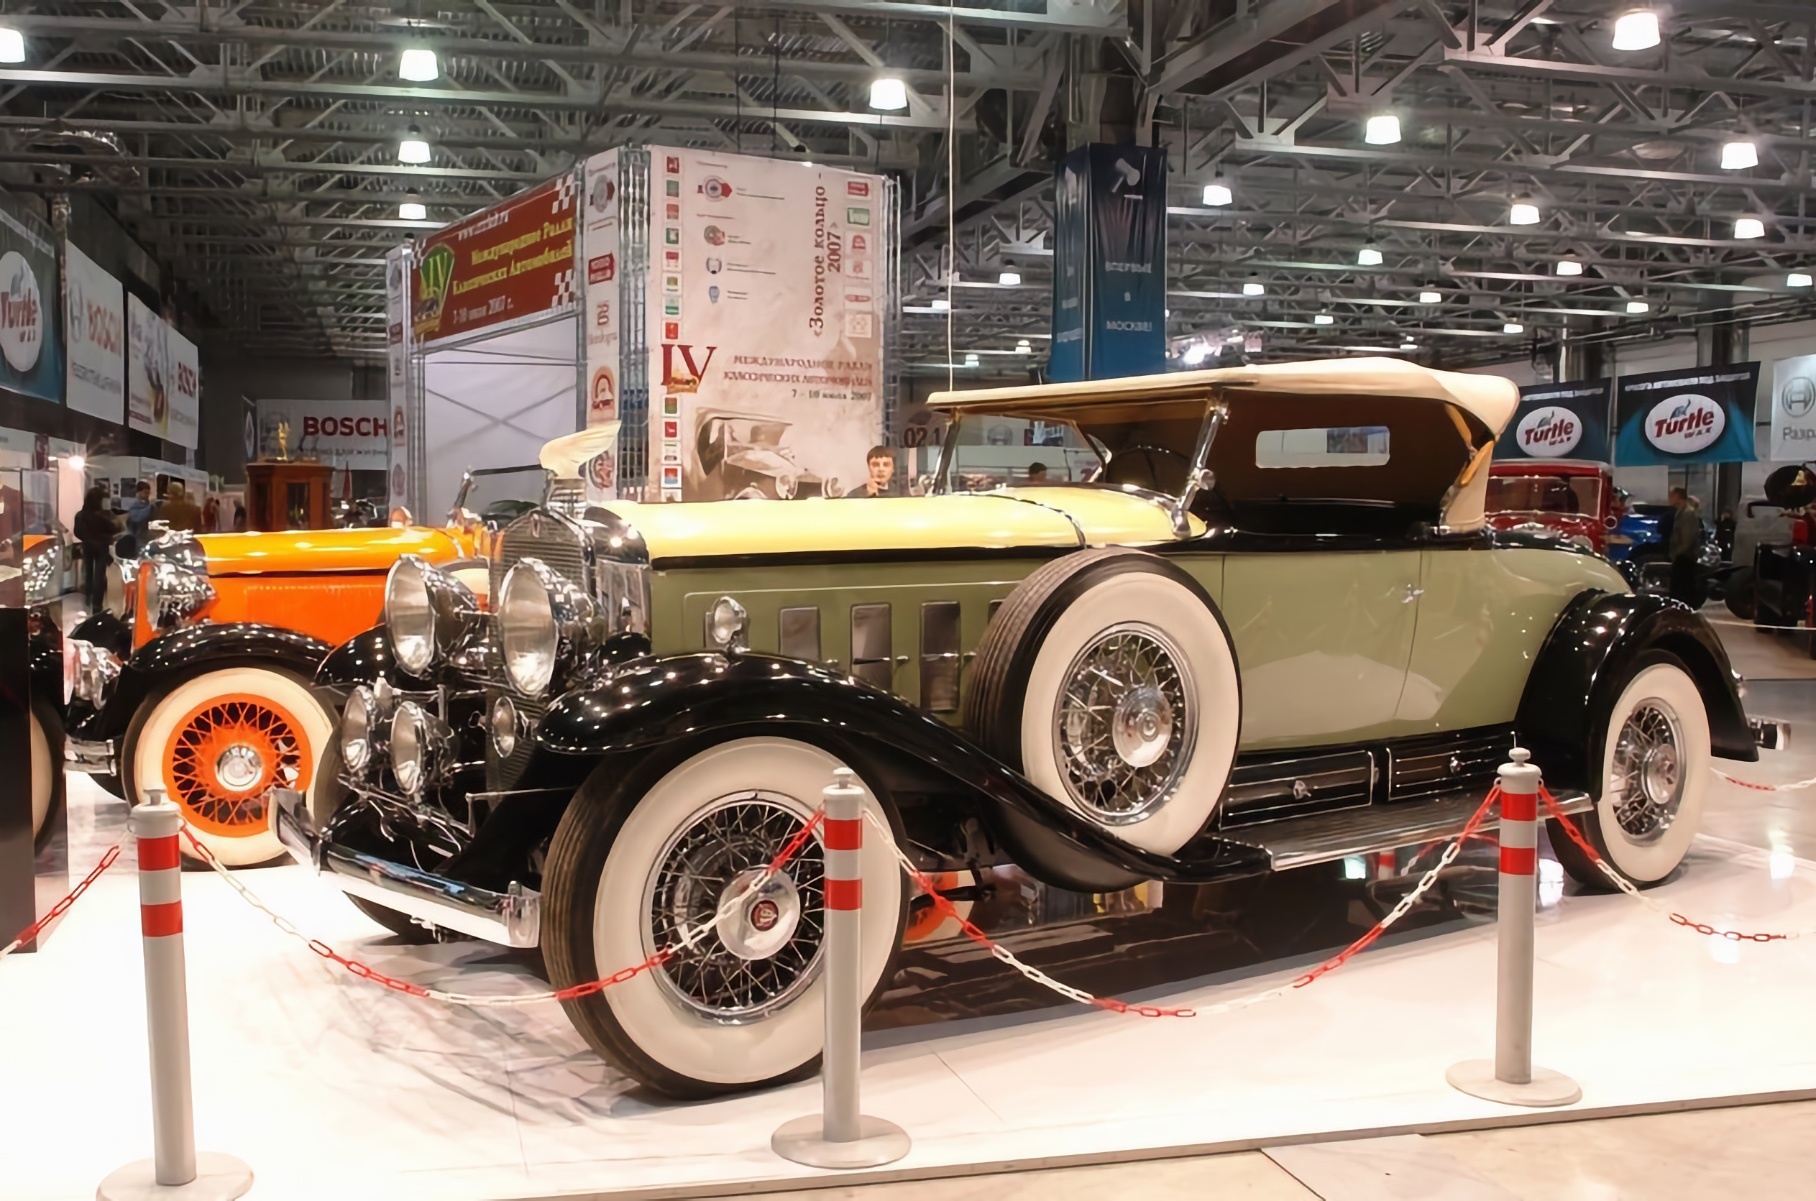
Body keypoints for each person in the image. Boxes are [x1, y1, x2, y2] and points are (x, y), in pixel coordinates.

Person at [72, 486, 115, 611]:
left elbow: (77, 532)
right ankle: (97, 603)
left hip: (87, 546)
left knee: (88, 573)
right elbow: (112, 529)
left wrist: (87, 538)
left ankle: (87, 597)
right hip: (101, 546)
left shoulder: (80, 515)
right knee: (99, 575)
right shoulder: (102, 516)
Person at [1667, 486, 1704, 607]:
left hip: (1685, 557)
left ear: (1678, 497)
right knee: (1678, 588)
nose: (1669, 498)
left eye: (1672, 495)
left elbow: (1688, 537)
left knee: (1683, 589)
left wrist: (1678, 553)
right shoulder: (1681, 512)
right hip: (1681, 556)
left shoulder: (1688, 513)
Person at [122, 480, 154, 555]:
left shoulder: (151, 506)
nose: (147, 495)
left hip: (147, 539)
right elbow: (136, 518)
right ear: (138, 492)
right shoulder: (133, 505)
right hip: (135, 539)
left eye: (148, 493)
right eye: (145, 493)